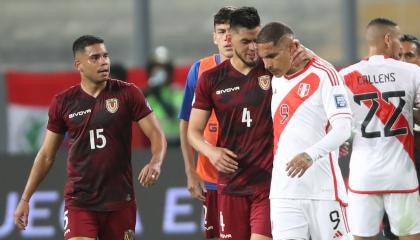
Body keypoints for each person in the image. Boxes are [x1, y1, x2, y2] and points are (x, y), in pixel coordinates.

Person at [13, 35, 167, 240]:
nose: (103, 62)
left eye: (105, 56)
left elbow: (156, 134)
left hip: (120, 201)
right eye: (95, 58)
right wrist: (25, 198)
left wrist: (155, 162)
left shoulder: (128, 93)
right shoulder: (63, 102)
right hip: (80, 201)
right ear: (79, 65)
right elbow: (46, 155)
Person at [256, 22, 353, 239]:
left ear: (293, 47)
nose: (267, 64)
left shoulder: (325, 74)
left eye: (272, 56)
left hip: (323, 191)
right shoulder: (274, 79)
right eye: (263, 57)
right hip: (284, 192)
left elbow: (343, 128)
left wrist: (311, 154)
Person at [188, 7, 274, 240]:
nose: (253, 47)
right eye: (246, 41)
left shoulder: (273, 70)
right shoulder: (210, 79)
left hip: (268, 183)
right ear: (230, 38)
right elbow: (193, 131)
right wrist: (211, 152)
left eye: (257, 40)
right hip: (231, 184)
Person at [339, 18, 420, 239]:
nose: (398, 46)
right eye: (396, 40)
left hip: (363, 175)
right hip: (401, 175)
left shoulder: (345, 76)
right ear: (387, 39)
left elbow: (337, 124)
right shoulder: (412, 73)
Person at [178, 6, 236, 239]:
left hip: (251, 176)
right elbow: (185, 122)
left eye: (232, 31)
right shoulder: (200, 70)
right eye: (221, 32)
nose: (227, 38)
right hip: (211, 178)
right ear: (214, 37)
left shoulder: (261, 69)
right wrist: (191, 171)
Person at [382, 33, 420, 240]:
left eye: (410, 55)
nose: (404, 62)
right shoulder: (385, 91)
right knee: (396, 232)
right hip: (396, 171)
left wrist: (405, 111)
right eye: (399, 57)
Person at [145, 46, 183, 146]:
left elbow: (173, 115)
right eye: (156, 67)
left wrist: (159, 97)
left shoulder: (177, 92)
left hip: (176, 145)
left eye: (162, 68)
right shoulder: (147, 95)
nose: (158, 71)